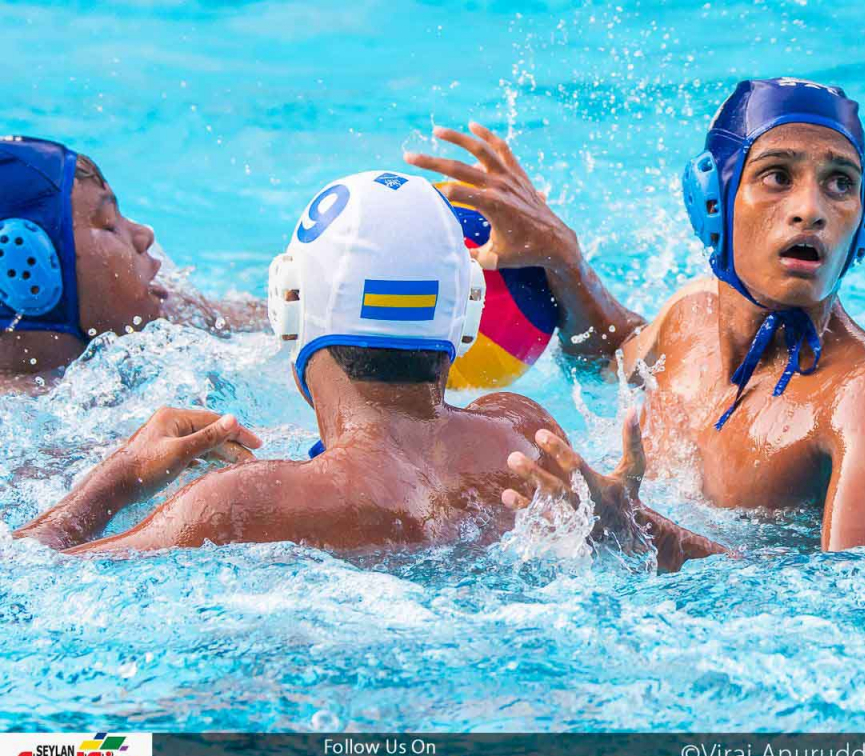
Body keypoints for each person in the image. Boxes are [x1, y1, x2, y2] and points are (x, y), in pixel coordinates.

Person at [14, 171, 724, 572]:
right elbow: (727, 567)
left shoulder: (241, 503)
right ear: (466, 315)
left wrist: (118, 478)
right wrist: (628, 530)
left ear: (287, 305)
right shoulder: (526, 440)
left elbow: (28, 580)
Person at [405, 80, 865, 551]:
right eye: (777, 176)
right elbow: (607, 357)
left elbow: (860, 596)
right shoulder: (691, 316)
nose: (810, 209)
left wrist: (639, 532)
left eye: (840, 183)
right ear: (714, 199)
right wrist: (563, 259)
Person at [0, 136, 263, 393]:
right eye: (108, 223)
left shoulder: (171, 322)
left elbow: (265, 318)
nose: (144, 235)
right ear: (25, 267)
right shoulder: (17, 413)